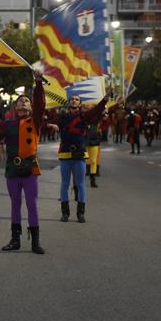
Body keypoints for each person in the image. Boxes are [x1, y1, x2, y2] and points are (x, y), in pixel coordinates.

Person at [0, 69, 46, 254]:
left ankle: (35, 242)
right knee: (15, 204)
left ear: (31, 107)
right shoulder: (7, 124)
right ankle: (15, 240)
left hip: (30, 168)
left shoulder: (35, 121)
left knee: (32, 204)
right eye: (20, 100)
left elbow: (40, 104)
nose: (24, 102)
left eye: (27, 101)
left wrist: (38, 83)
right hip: (12, 169)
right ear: (15, 106)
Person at [57, 92, 118, 223]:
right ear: (69, 103)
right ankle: (65, 213)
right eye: (72, 99)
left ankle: (80, 213)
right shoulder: (62, 117)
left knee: (80, 184)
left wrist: (106, 99)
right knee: (65, 184)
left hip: (79, 155)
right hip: (65, 154)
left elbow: (97, 110)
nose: (74, 101)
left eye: (77, 100)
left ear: (80, 103)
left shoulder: (84, 117)